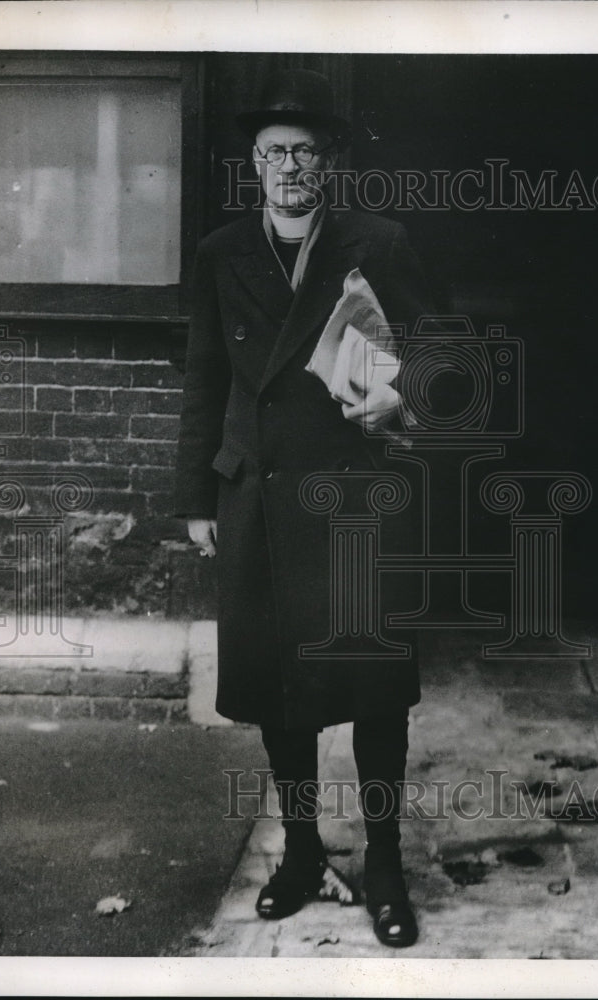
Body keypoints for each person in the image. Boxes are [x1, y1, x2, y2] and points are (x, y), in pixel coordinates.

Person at [174, 68, 431, 949]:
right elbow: (205, 379)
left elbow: (439, 359)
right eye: (272, 153)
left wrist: (398, 402)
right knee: (280, 690)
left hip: (356, 501)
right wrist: (196, 498)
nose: (288, 167)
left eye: (304, 153)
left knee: (374, 690)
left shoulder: (379, 243)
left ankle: (387, 862)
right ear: (254, 165)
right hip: (259, 497)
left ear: (329, 166)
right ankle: (300, 853)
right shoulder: (220, 253)